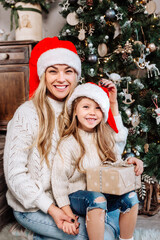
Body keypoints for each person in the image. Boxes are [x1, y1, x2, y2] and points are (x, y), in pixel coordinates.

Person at [3, 36, 133, 240]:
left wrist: (113, 109)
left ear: (76, 75)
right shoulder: (26, 114)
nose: (61, 79)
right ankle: (36, 232)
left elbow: (108, 150)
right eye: (53, 71)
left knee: (118, 223)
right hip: (35, 206)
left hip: (73, 199)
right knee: (106, 236)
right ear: (43, 75)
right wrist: (53, 210)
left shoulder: (80, 108)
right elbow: (15, 175)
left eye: (68, 71)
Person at [52, 82, 144, 240]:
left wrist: (130, 161)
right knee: (97, 198)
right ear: (75, 111)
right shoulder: (69, 142)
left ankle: (127, 238)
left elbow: (115, 161)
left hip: (101, 194)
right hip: (76, 196)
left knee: (130, 198)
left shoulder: (104, 137)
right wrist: (68, 215)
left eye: (98, 108)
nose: (92, 113)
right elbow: (58, 181)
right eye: (86, 107)